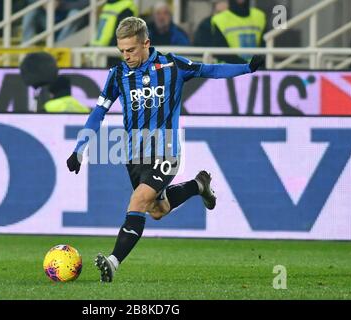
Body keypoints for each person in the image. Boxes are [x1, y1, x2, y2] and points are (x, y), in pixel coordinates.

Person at [66, 17, 264, 282]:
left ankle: (113, 262)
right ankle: (198, 185)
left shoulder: (173, 65)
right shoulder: (117, 75)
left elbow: (211, 70)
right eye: (122, 51)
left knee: (138, 201)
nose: (126, 56)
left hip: (166, 151)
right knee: (157, 211)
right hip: (134, 155)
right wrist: (80, 149)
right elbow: (98, 113)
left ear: (146, 43)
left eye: (131, 50)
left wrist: (247, 68)